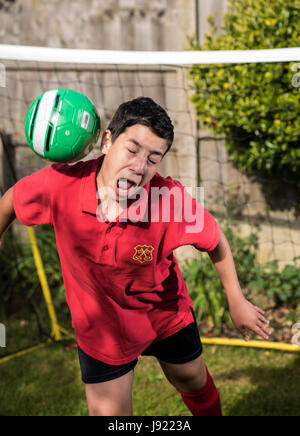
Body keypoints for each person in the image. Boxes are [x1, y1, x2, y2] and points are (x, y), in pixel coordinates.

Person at [0, 97, 271, 416]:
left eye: (153, 159)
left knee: (192, 380)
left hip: (163, 314)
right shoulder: (61, 185)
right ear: (107, 141)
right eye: (132, 150)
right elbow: (12, 201)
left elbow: (216, 241)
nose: (140, 167)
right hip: (102, 327)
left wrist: (236, 300)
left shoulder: (169, 202)